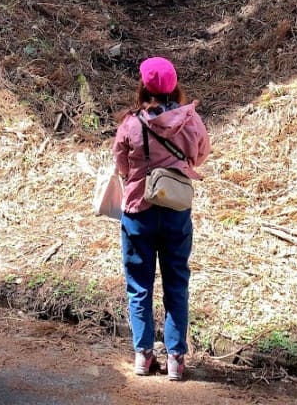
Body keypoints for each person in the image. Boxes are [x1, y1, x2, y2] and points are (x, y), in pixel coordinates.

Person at [112, 56, 211, 382]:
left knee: (139, 285)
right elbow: (201, 155)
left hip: (138, 211)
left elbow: (121, 164)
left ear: (143, 86)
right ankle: (176, 359)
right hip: (176, 210)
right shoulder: (190, 120)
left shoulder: (131, 124)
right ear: (174, 86)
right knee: (176, 283)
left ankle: (143, 354)